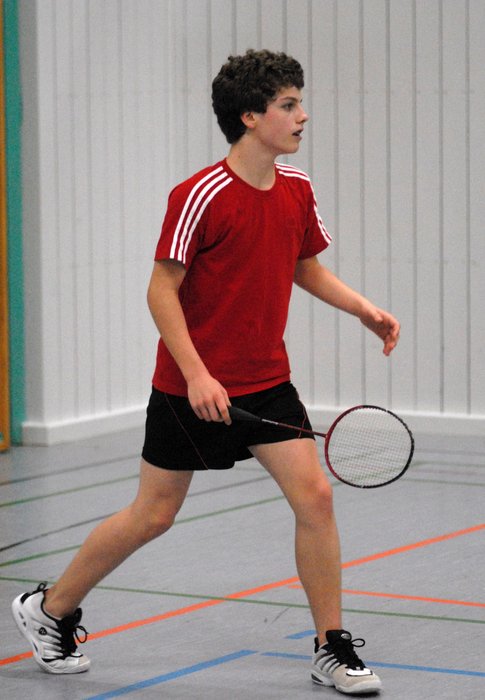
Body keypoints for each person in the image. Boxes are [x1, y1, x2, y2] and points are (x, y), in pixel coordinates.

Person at [12, 49, 399, 695]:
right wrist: (196, 375)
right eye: (287, 105)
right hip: (190, 387)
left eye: (299, 103)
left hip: (265, 380)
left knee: (316, 497)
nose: (302, 116)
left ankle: (330, 647)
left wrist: (362, 309)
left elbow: (302, 264)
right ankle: (49, 609)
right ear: (249, 116)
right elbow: (161, 289)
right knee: (153, 515)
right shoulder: (199, 195)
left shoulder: (296, 188)